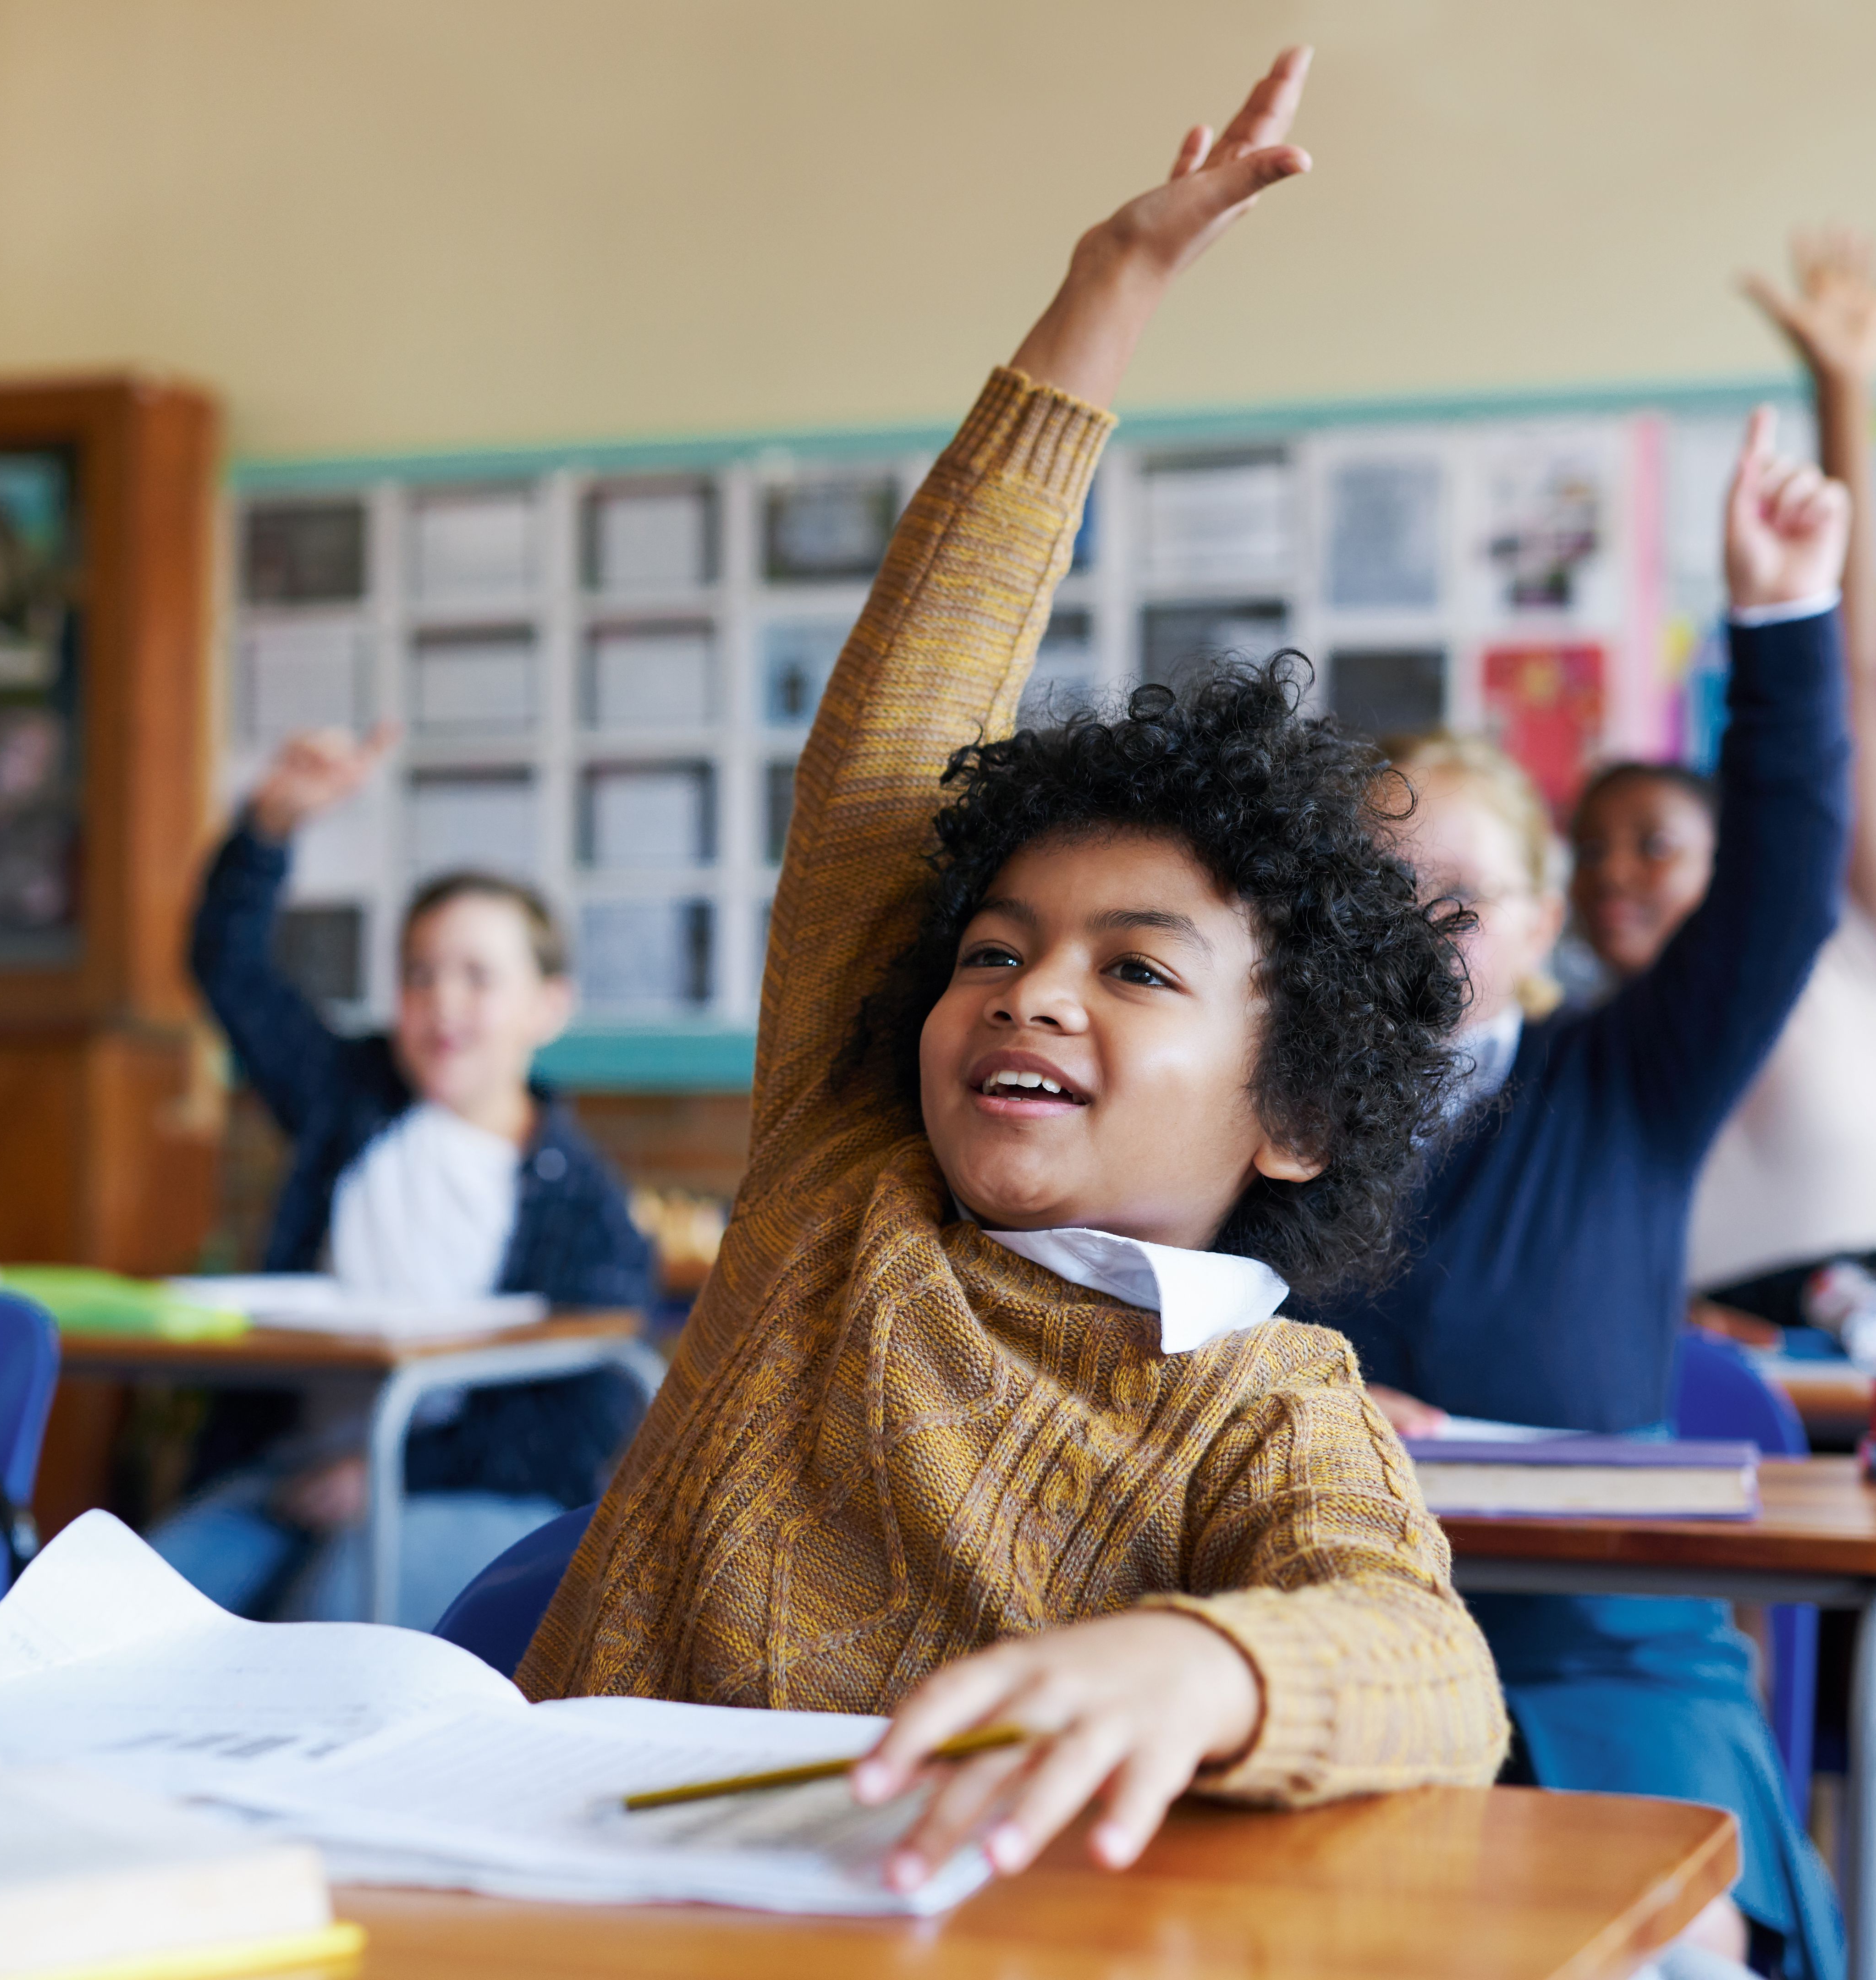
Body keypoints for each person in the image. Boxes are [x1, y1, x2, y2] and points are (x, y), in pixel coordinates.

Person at [519, 49, 1509, 1891]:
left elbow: (1427, 1670)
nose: (1032, 991)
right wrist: (1104, 297)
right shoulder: (843, 1178)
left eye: (1135, 973)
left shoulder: (1264, 1401)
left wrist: (1200, 1657)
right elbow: (893, 750)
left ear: (1289, 1109)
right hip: (539, 1895)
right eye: (993, 949)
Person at [1573, 231, 1876, 1980]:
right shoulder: (1598, 1068)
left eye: (1663, 844)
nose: (1623, 878)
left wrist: (1844, 386)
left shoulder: (1837, 951)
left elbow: (1841, 682)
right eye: (1593, 855)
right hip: (1717, 1467)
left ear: (1751, 856)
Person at [1339, 398, 1857, 1973]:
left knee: (1664, 1948)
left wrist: (1780, 623)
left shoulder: (1628, 1076)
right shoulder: (1269, 1111)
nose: (1417, 927)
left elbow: (1777, 878)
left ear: (1546, 912)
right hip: (1333, 1621)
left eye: (1460, 894)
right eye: (1379, 891)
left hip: (1597, 1643)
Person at [152, 721, 656, 1628]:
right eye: (420, 975)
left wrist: (386, 1473)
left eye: (476, 976)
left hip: (463, 1492)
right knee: (144, 1604)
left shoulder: (585, 1205)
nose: (442, 1003)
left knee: (328, 1619)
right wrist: (269, 827)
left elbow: (574, 1424)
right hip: (293, 1476)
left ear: (549, 1007)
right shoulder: (350, 1100)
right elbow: (227, 968)